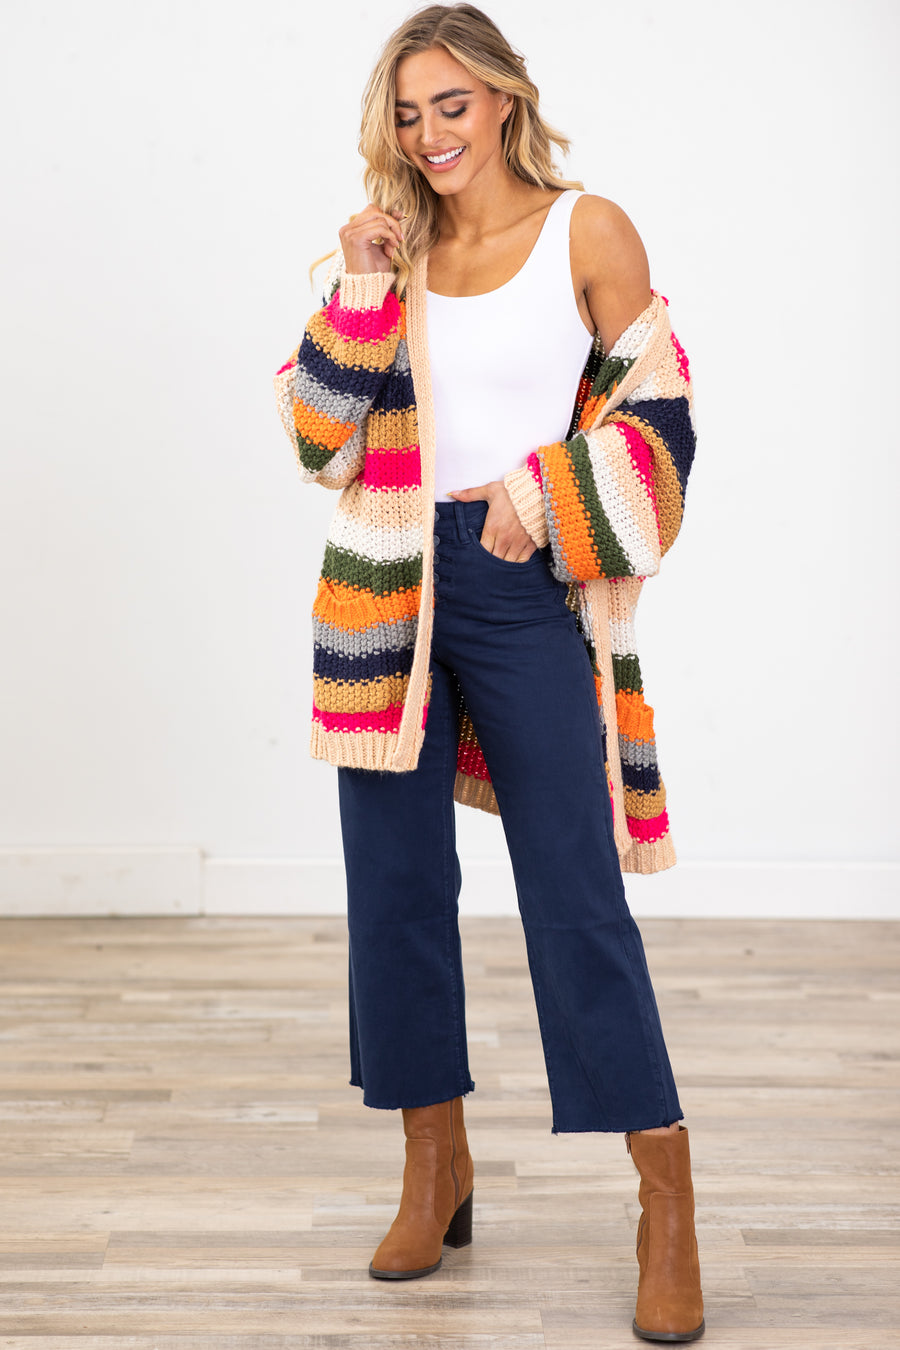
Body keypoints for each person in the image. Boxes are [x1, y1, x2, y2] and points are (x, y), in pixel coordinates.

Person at [274, 4, 703, 1341]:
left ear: (505, 98)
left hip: (520, 586)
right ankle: (433, 1164)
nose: (430, 135)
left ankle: (666, 1201)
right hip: (383, 593)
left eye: (451, 105)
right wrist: (358, 287)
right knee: (396, 894)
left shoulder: (588, 232)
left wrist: (540, 494)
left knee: (575, 893)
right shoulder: (390, 252)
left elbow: (664, 425)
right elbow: (317, 442)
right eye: (408, 114)